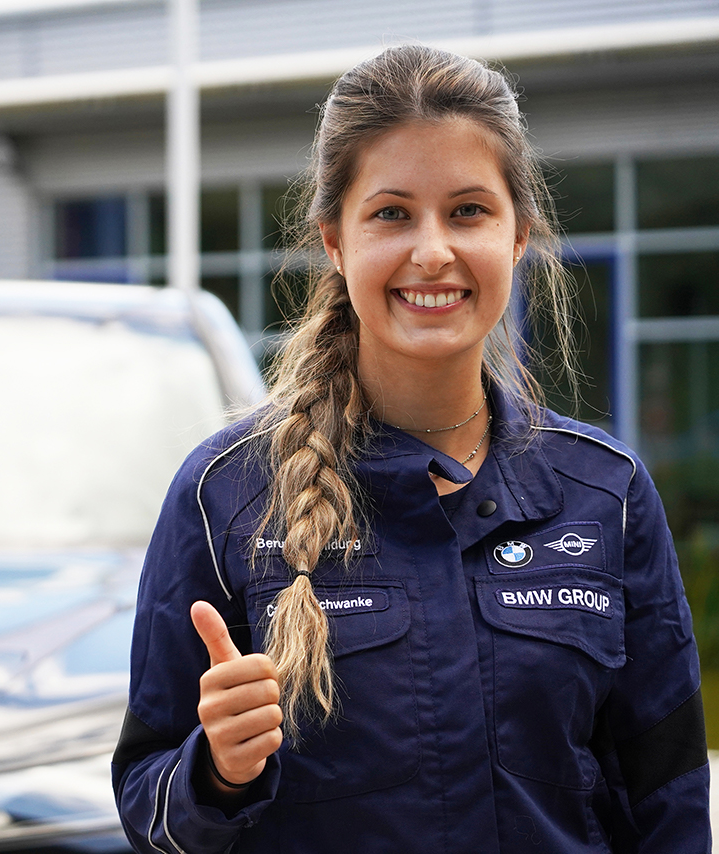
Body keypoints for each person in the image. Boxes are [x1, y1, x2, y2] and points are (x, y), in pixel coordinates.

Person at [113, 44, 709, 852]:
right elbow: (147, 806)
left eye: (469, 211)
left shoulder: (606, 493)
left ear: (518, 235)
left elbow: (667, 803)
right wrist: (214, 770)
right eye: (392, 213)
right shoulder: (226, 495)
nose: (433, 251)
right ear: (334, 240)